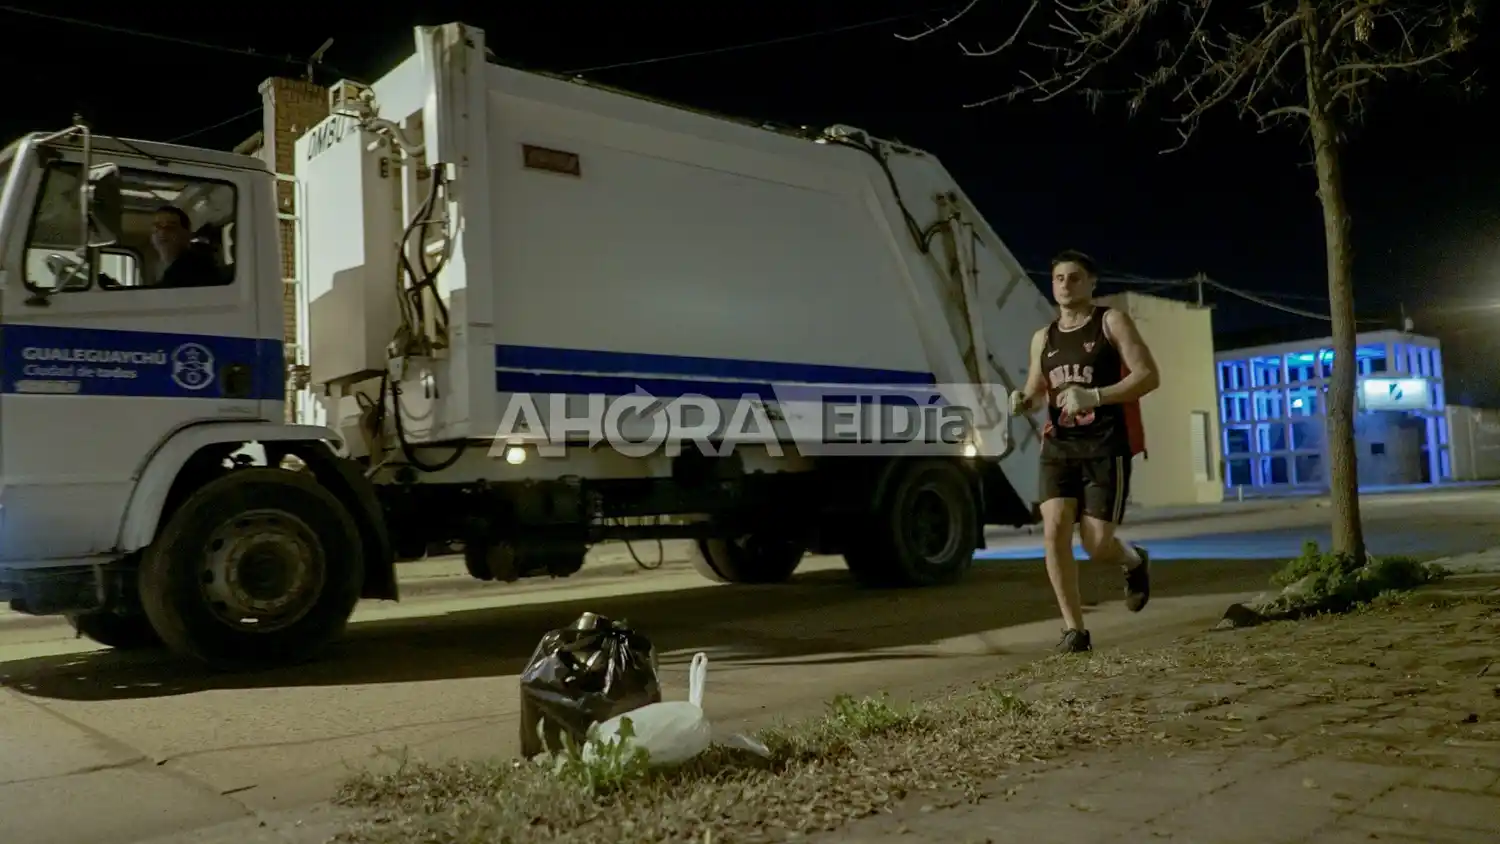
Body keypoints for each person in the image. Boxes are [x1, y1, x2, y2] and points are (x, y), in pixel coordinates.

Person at [1009, 250, 1160, 654]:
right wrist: (1023, 401)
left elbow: (1148, 376)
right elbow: (1038, 390)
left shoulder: (1110, 322)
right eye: (1058, 278)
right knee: (1054, 528)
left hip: (1106, 445)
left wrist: (1095, 395)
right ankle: (1075, 631)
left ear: (1092, 283)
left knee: (1096, 545)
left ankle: (1133, 561)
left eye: (1074, 278)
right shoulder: (1043, 337)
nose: (1064, 285)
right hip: (1058, 445)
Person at [150, 205, 223, 288]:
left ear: (187, 235)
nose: (162, 232)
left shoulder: (197, 268)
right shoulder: (165, 268)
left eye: (171, 227)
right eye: (157, 226)